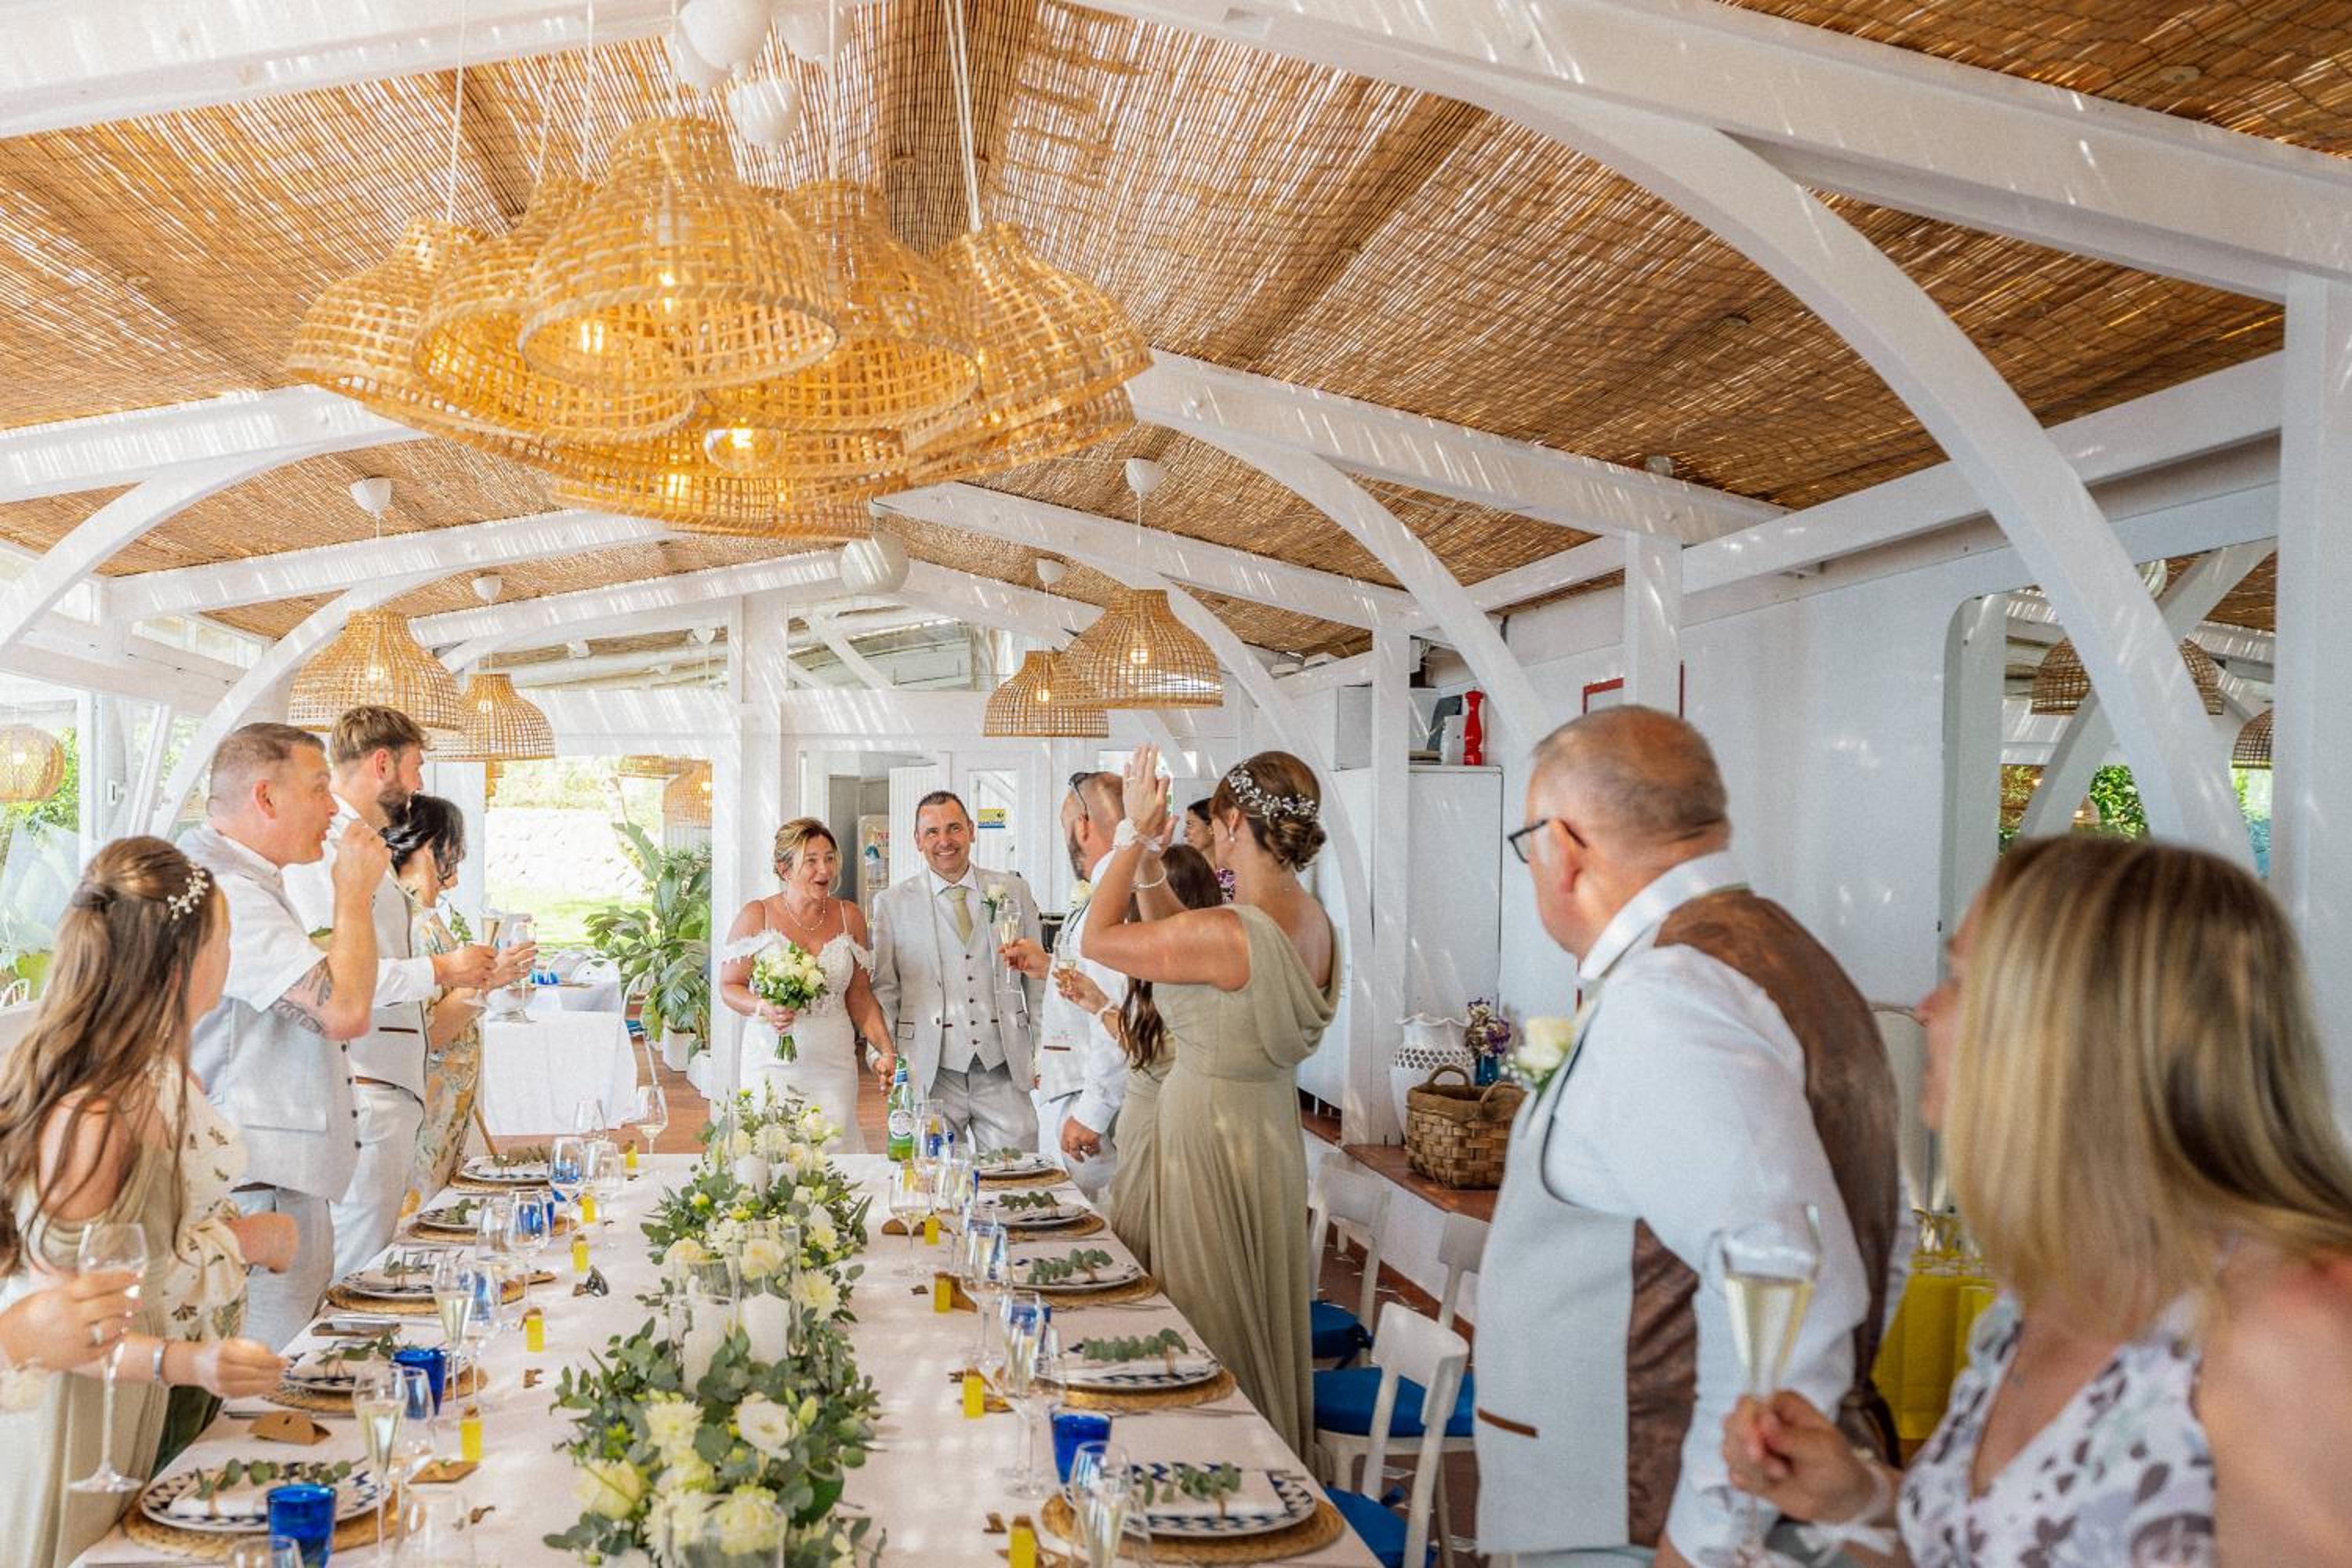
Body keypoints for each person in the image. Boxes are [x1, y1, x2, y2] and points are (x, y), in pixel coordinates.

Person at [1722, 836, 2352, 1565]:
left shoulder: (2293, 1330)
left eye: (1960, 979)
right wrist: (1854, 1500)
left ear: (2073, 1032)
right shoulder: (2043, 1291)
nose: (1926, 1009)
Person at [1481, 706, 1903, 1567]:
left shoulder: (1671, 993)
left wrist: (1710, 1538)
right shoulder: (1790, 957)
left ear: (1563, 847)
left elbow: (1783, 1272)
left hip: (1639, 1521)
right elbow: (1876, 1246)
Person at [0, 837, 289, 1565]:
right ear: (181, 962)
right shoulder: (95, 1119)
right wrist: (194, 1364)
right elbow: (69, 1330)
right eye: (225, 939)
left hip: (137, 1410)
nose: (232, 956)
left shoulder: (153, 1082)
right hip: (78, 1429)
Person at [1083, 746, 1338, 1458]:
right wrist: (1152, 864)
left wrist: (1132, 834)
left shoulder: (1231, 933)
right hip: (1266, 1136)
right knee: (1247, 1309)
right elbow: (1188, 951)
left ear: (1229, 823)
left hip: (1209, 1145)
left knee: (1206, 1321)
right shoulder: (1310, 922)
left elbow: (1098, 938)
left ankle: (1219, 1463)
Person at [284, 707, 515, 1279]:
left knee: (371, 1257)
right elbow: (336, 976)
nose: (418, 784)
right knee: (356, 1269)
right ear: (383, 764)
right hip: (363, 1084)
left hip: (386, 1087)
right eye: (416, 767)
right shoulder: (325, 852)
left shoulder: (363, 847)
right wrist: (441, 968)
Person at [186, 723, 390, 1350]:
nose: (333, 808)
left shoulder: (245, 883)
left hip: (270, 1180)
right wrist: (353, 894)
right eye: (319, 788)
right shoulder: (228, 893)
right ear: (266, 797)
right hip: (255, 1189)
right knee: (270, 1371)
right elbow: (344, 1011)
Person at [1003, 771, 1180, 1200]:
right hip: (1081, 1088)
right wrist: (1053, 967)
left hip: (1093, 1100)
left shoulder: (1112, 899)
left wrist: (1092, 1114)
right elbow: (1103, 979)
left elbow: (1119, 1009)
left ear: (1083, 825)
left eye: (1066, 823)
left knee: (1092, 1225)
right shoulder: (1116, 887)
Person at [1047, 844, 1224, 1265]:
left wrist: (1102, 1008)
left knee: (1162, 1247)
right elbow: (1144, 1039)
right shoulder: (1173, 964)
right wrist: (1099, 1004)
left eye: (1142, 892)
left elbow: (1158, 1052)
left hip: (1177, 1127)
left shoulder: (1197, 974)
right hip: (1150, 1121)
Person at [869, 791, 1044, 1153]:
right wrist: (882, 1054)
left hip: (1003, 1064)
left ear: (971, 831)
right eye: (932, 832)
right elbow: (885, 990)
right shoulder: (891, 903)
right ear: (917, 840)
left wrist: (1044, 1053)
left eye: (954, 828)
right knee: (934, 1175)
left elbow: (1037, 985)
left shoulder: (1014, 890)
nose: (944, 841)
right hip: (929, 1069)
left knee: (1017, 1168)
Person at [718, 819, 891, 1151]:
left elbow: (860, 995)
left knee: (834, 1148)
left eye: (829, 858)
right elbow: (730, 985)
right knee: (772, 1150)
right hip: (771, 1061)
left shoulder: (850, 916)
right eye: (811, 861)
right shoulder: (757, 915)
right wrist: (763, 1007)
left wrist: (886, 1049)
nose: (824, 869)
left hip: (834, 1064)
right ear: (785, 869)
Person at [384, 794, 491, 1197]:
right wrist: (484, 982)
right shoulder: (410, 923)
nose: (457, 867)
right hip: (424, 1110)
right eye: (455, 851)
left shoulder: (425, 918)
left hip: (445, 1110)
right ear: (432, 848)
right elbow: (428, 1031)